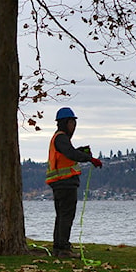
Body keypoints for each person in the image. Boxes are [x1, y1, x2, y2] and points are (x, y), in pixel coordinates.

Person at [46, 107, 102, 258]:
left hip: (59, 182)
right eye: (72, 123)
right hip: (65, 183)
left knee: (61, 215)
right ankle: (63, 249)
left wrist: (80, 151)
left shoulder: (59, 139)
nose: (74, 126)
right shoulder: (61, 138)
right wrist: (90, 159)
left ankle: (58, 247)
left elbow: (68, 154)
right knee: (66, 216)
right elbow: (70, 153)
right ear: (65, 123)